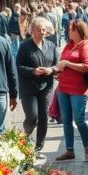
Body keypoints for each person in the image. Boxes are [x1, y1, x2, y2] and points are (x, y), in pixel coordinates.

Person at [16, 17, 60, 152]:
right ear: (32, 31)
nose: (42, 32)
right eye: (39, 29)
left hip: (46, 87)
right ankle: (26, 131)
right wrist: (32, 71)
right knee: (32, 116)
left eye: (44, 30)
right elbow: (18, 66)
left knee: (43, 118)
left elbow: (57, 66)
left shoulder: (51, 46)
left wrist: (51, 70)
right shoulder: (24, 46)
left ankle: (38, 147)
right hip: (29, 87)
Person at [55, 19, 88, 163]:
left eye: (70, 29)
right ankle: (69, 150)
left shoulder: (85, 46)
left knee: (79, 119)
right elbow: (62, 62)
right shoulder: (68, 46)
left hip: (78, 89)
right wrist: (57, 70)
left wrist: (68, 64)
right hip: (63, 87)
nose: (68, 32)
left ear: (78, 31)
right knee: (66, 120)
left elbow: (87, 67)